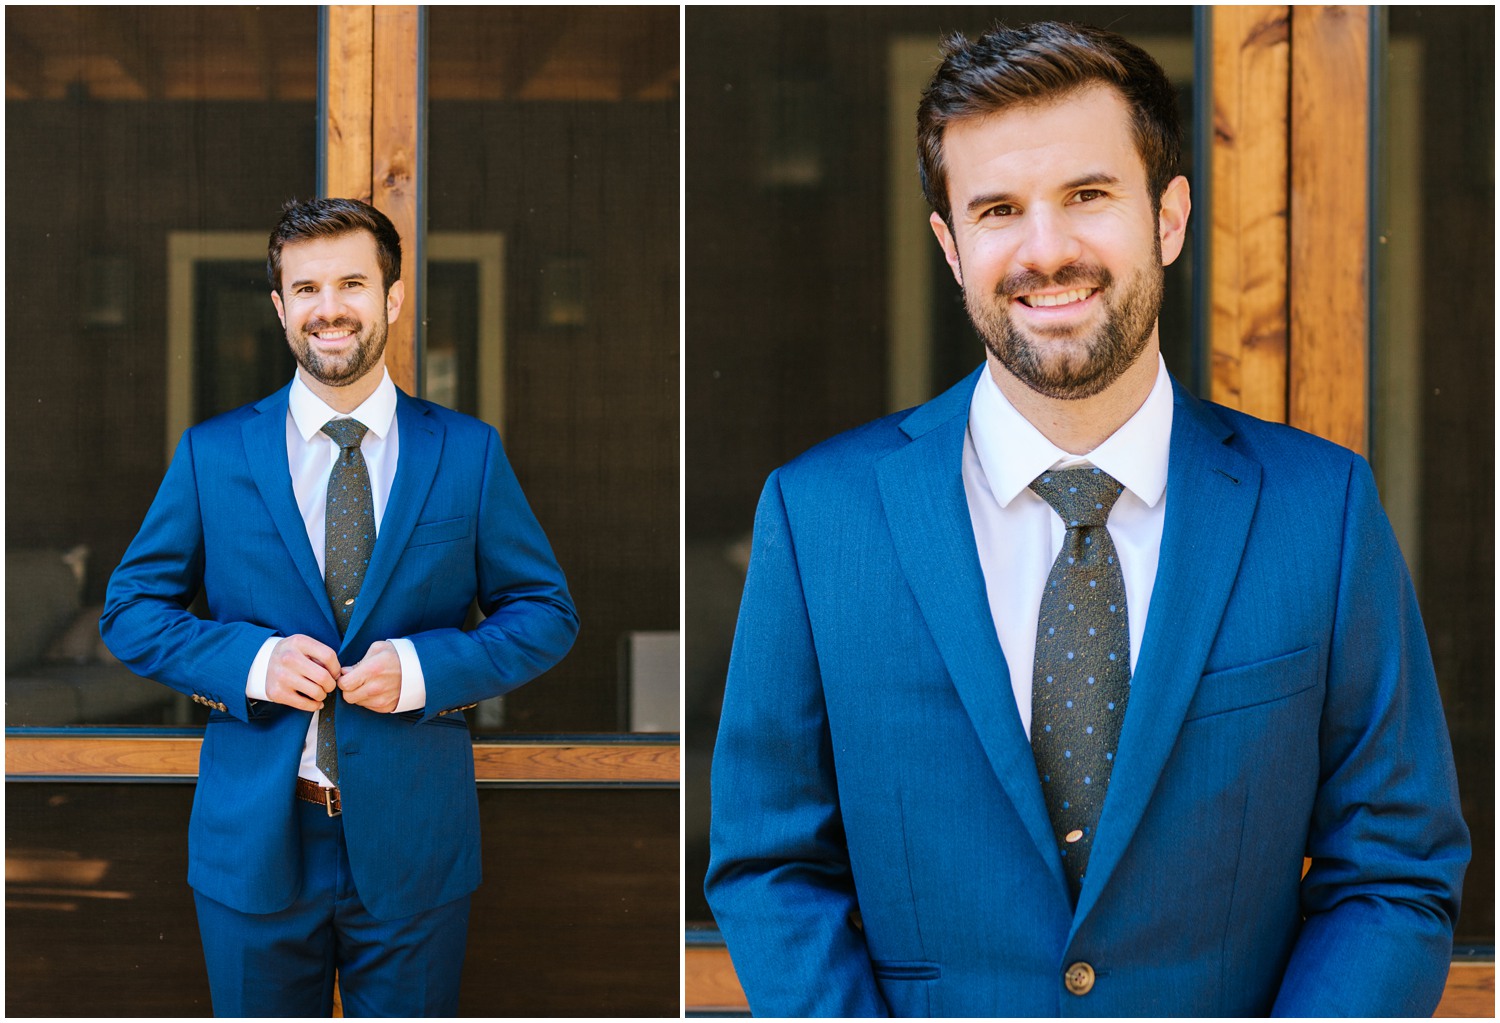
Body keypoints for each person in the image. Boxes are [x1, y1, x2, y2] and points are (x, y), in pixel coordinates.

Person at [704, 21, 1468, 1017]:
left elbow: (1394, 873)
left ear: (1170, 217)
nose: (1046, 249)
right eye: (997, 210)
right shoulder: (817, 519)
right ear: (951, 246)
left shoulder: (1320, 512)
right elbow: (772, 870)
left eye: (1088, 196)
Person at [101, 197, 578, 1016]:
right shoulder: (212, 454)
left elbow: (545, 610)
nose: (331, 308)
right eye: (308, 288)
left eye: (353, 283)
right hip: (254, 838)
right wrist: (253, 662)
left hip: (416, 843)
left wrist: (426, 666)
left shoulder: (467, 451)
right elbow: (130, 608)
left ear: (392, 298)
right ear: (283, 307)